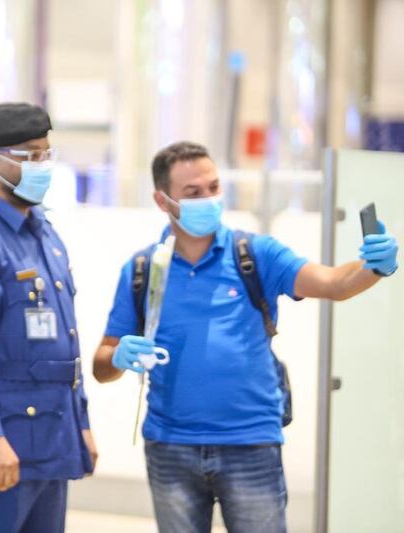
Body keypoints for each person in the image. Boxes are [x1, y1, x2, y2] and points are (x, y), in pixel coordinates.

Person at [92, 141, 399, 533]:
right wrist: (117, 358)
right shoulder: (142, 270)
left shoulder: (255, 255)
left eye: (214, 187)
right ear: (162, 200)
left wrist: (374, 266)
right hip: (170, 448)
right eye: (193, 192)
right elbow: (102, 363)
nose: (208, 199)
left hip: (250, 445)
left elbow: (334, 283)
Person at [0, 102, 97, 533]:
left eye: (47, 154)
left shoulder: (44, 233)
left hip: (51, 439)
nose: (42, 166)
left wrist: (80, 423)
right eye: (30, 156)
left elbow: (65, 344)